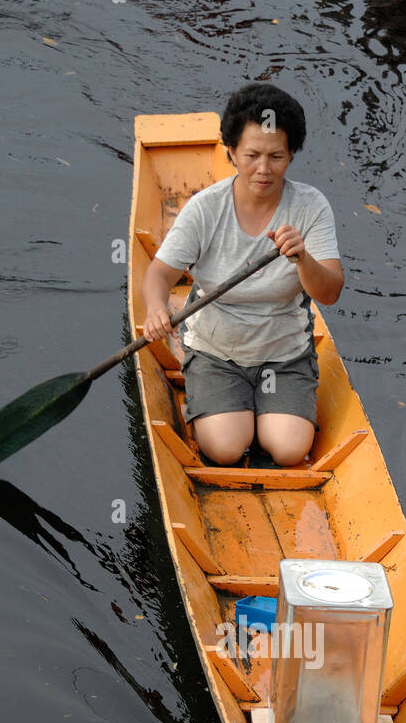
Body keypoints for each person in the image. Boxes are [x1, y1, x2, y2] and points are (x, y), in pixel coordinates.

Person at [141, 83, 344, 467]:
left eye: (276, 156)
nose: (263, 169)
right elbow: (158, 275)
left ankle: (264, 413)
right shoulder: (206, 209)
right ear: (231, 151)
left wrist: (303, 259)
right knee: (225, 449)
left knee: (288, 450)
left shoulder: (311, 206)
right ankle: (225, 406)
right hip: (217, 351)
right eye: (251, 155)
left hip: (283, 355)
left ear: (292, 154)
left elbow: (330, 293)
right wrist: (154, 308)